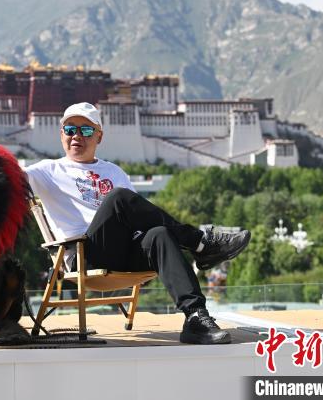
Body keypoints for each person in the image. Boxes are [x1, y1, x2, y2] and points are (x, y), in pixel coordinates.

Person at [24, 102, 251, 344]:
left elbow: (137, 219)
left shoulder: (114, 172)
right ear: (61, 134)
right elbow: (8, 175)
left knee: (160, 234)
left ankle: (195, 318)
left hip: (123, 253)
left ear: (99, 136)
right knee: (118, 198)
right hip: (84, 256)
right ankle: (200, 243)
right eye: (70, 129)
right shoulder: (47, 171)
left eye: (86, 130)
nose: (77, 136)